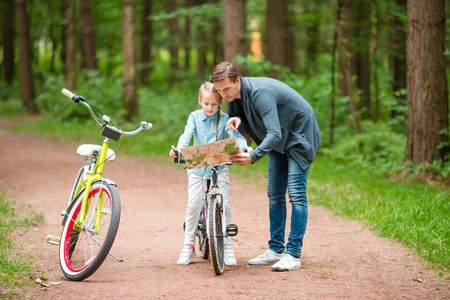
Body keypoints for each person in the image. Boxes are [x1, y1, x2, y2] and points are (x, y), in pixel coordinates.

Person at [209, 61, 322, 271]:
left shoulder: (260, 93)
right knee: (274, 194)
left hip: (299, 136)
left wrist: (254, 156)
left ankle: (293, 254)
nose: (223, 95)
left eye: (226, 89)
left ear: (238, 80)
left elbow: (275, 133)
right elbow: (248, 126)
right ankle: (276, 250)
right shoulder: (233, 98)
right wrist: (240, 131)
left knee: (296, 193)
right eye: (218, 91)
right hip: (279, 142)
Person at [169, 82, 250, 266]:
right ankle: (188, 246)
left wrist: (244, 147)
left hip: (219, 168)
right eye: (206, 104)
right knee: (193, 205)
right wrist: (180, 149)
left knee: (226, 205)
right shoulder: (194, 117)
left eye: (214, 104)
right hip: (197, 170)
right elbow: (187, 134)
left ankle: (227, 246)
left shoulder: (225, 119)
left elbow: (235, 136)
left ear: (220, 102)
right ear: (200, 101)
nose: (210, 107)